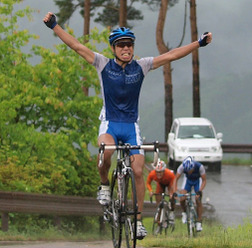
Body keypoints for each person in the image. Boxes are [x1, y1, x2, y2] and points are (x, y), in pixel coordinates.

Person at [43, 12, 212, 239]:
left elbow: (171, 55)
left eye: (129, 45)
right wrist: (55, 25)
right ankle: (104, 185)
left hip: (131, 126)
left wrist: (198, 43)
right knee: (106, 154)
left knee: (139, 170)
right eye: (121, 45)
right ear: (114, 48)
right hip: (110, 124)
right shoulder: (102, 64)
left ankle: (139, 221)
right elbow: (76, 46)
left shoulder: (141, 66)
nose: (126, 49)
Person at [173, 156, 207, 232]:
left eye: (190, 170)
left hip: (197, 181)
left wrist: (200, 191)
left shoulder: (200, 166)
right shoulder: (182, 167)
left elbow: (204, 180)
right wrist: (175, 191)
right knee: (182, 197)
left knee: (198, 199)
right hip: (187, 181)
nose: (189, 172)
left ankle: (199, 221)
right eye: (187, 171)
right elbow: (175, 179)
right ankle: (184, 212)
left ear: (193, 167)